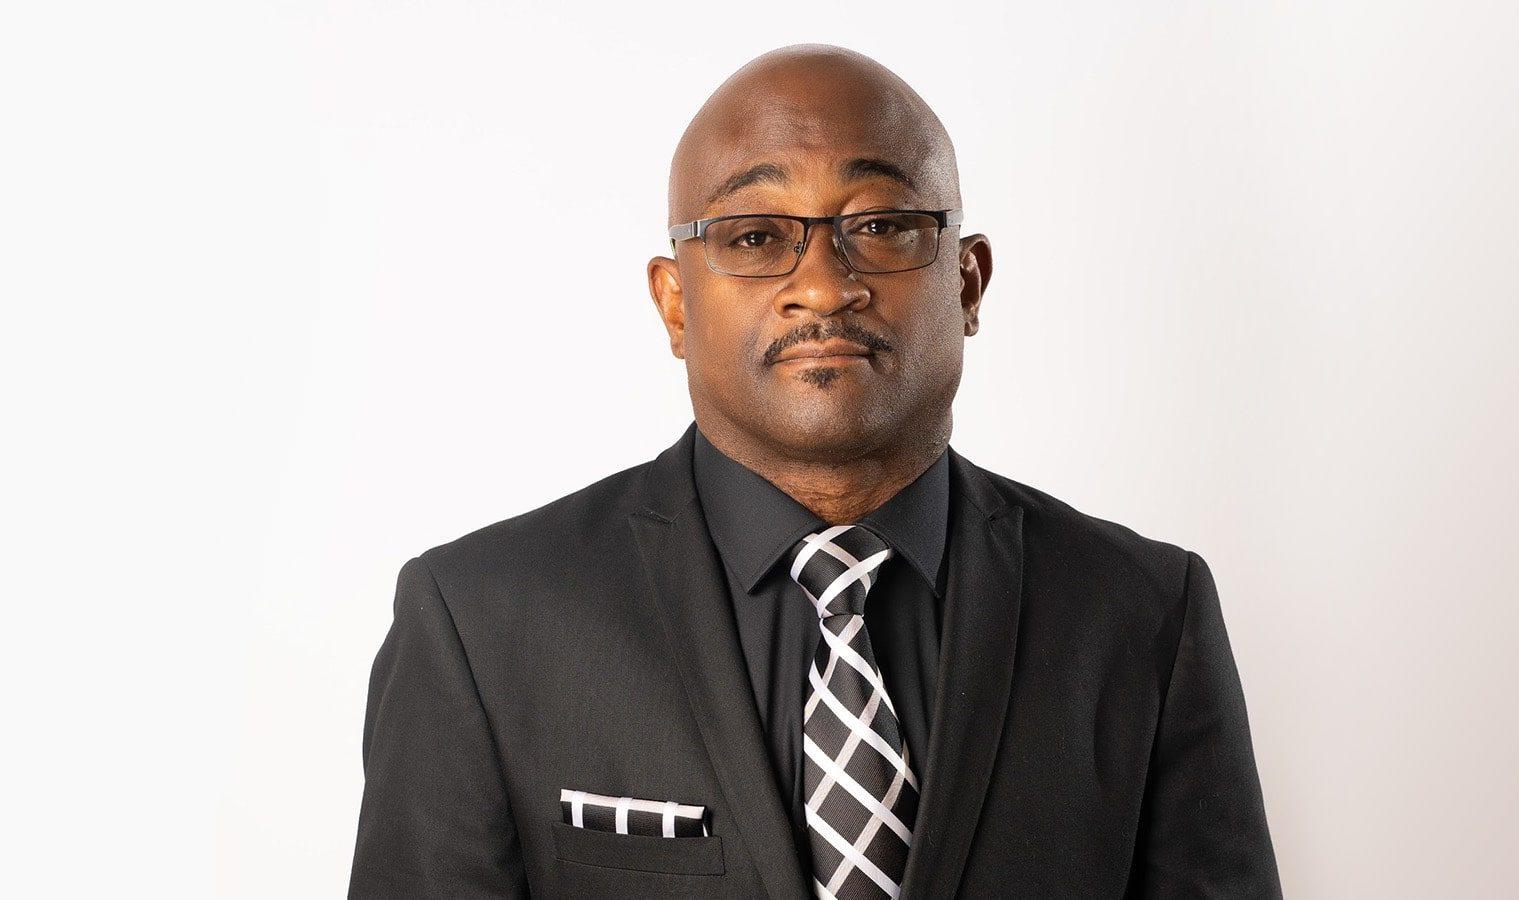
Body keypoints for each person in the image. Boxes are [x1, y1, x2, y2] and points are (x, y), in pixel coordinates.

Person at [349, 43, 1281, 899]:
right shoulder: (480, 621)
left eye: (880, 224)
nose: (826, 284)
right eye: (755, 236)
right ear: (675, 304)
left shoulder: (1146, 615)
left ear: (967, 282)